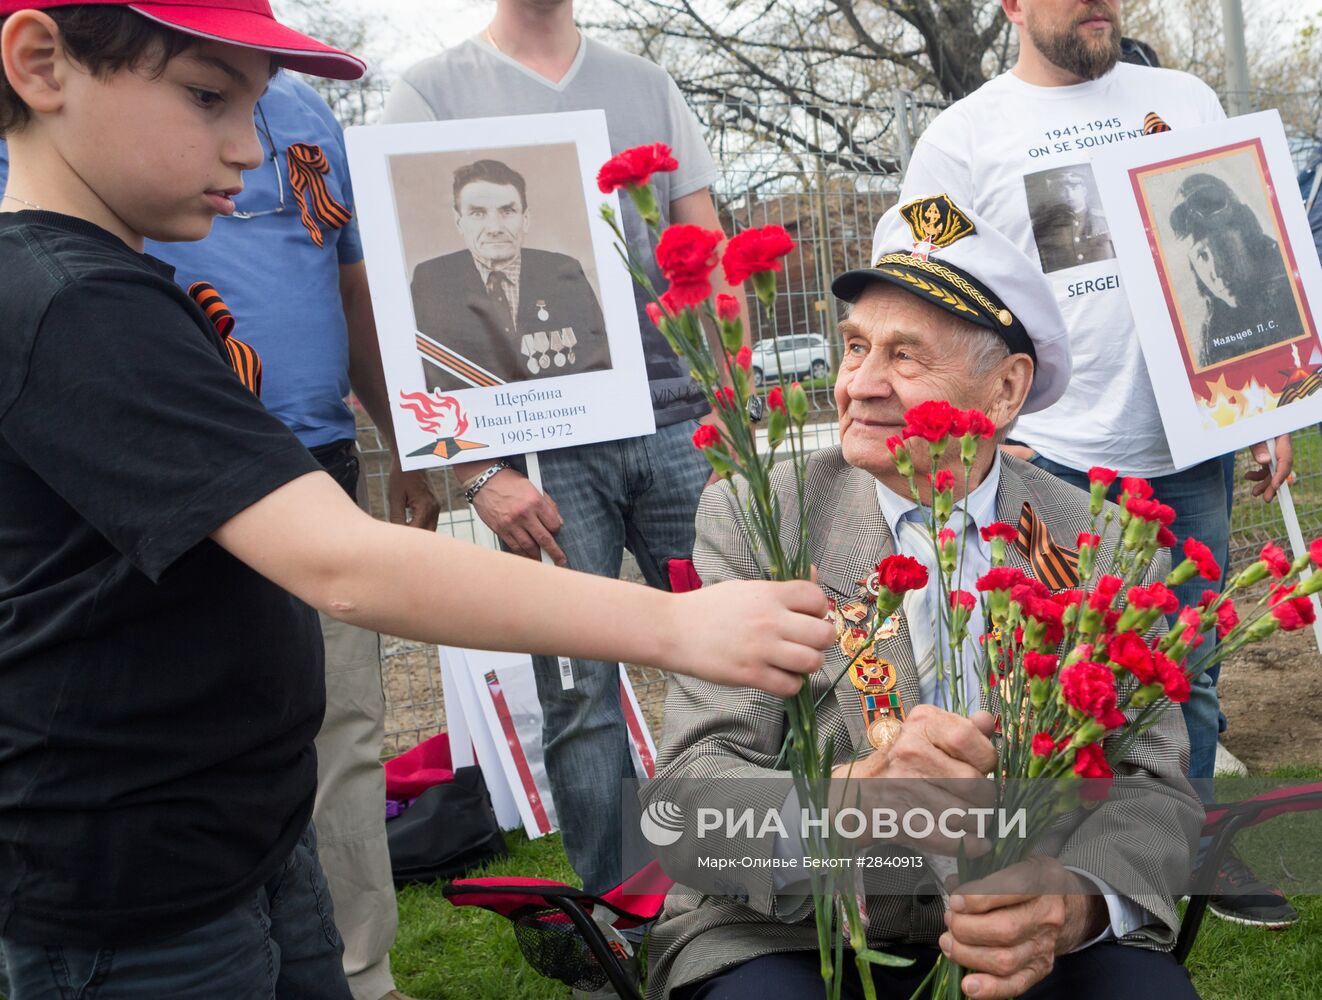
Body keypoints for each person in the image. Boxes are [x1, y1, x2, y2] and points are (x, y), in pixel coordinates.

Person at [0, 3, 836, 996]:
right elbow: (343, 564)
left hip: (241, 839)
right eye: (207, 97)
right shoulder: (74, 305)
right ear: (42, 63)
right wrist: (673, 624)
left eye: (259, 109)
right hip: (132, 891)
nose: (247, 148)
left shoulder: (123, 282)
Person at [642, 198, 1201, 1000]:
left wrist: (1067, 904)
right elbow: (690, 793)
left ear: (1006, 390)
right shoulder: (763, 519)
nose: (858, 385)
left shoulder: (1101, 544)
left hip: (1026, 925)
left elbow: (1156, 792)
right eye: (855, 347)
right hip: (797, 929)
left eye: (905, 357)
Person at [898, 0, 1295, 929]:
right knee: (1046, 673)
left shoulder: (1185, 101)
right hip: (1053, 461)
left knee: (1185, 670)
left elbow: (1256, 256)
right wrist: (996, 428)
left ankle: (1175, 858)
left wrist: (1275, 400)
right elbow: (926, 296)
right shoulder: (961, 143)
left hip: (1184, 454)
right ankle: (1045, 871)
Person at [382, 0, 752, 902]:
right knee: (581, 694)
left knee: (741, 656)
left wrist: (733, 415)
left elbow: (703, 257)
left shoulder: (647, 86)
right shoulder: (426, 97)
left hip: (673, 426)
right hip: (537, 452)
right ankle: (626, 913)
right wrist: (476, 471)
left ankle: (757, 890)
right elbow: (401, 310)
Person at [411, 157, 611, 390]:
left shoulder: (564, 272)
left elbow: (598, 367)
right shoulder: (432, 280)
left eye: (507, 211)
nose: (495, 228)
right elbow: (427, 375)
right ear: (459, 222)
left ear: (525, 219)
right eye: (478, 214)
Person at [1168, 172, 1303, 368]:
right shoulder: (1211, 337)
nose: (1217, 272)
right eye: (1202, 256)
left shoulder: (1300, 289)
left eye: (1223, 246)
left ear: (1249, 240)